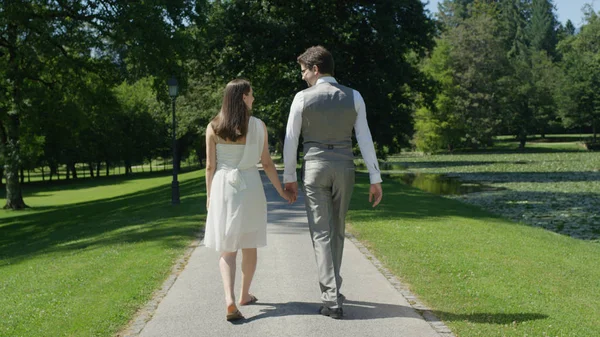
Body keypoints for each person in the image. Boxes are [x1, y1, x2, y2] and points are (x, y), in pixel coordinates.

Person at [283, 46, 383, 319]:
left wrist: (289, 178)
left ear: (316, 69)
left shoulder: (302, 99)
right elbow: (364, 137)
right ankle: (333, 292)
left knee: (321, 233)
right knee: (337, 231)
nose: (302, 77)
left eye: (304, 71)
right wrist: (375, 178)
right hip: (345, 167)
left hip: (315, 167)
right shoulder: (355, 97)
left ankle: (331, 299)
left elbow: (291, 140)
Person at [204, 79, 292, 321]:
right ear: (243, 96)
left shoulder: (213, 126)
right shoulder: (258, 126)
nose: (253, 98)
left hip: (223, 187)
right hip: (250, 186)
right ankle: (244, 294)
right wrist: (282, 191)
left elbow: (210, 166)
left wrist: (210, 196)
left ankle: (229, 299)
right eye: (251, 94)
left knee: (227, 249)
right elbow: (266, 163)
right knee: (249, 244)